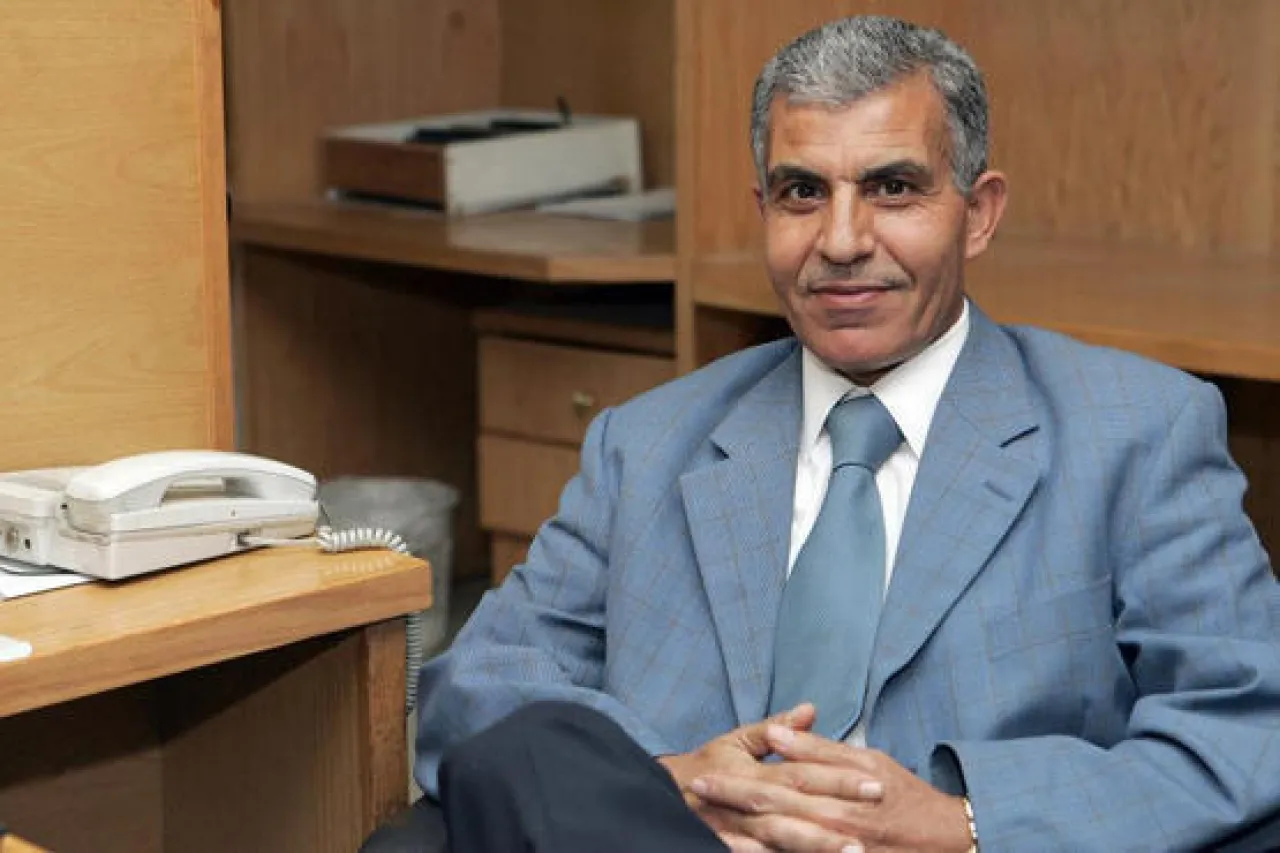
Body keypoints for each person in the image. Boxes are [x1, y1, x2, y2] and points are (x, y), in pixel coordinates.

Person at [403, 14, 1280, 853]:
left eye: (893, 188)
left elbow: (1251, 729)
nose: (844, 240)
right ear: (763, 210)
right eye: (803, 193)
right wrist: (670, 782)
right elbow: (473, 690)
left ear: (978, 213)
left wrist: (966, 823)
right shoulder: (647, 444)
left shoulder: (1136, 433)